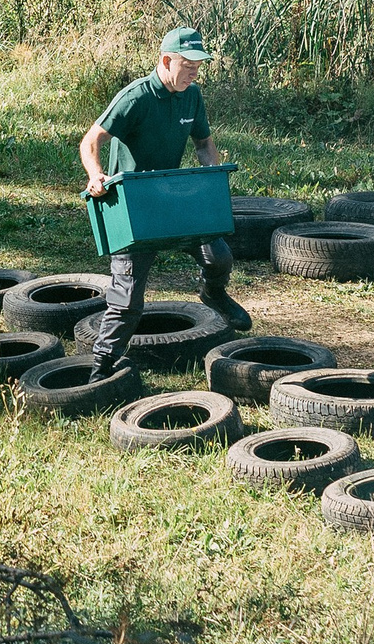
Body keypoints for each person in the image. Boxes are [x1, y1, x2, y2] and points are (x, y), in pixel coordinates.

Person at [78, 25, 252, 379]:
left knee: (218, 255)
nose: (194, 72)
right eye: (188, 65)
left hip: (171, 197)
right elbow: (91, 141)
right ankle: (102, 366)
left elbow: (203, 145)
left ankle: (212, 293)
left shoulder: (192, 95)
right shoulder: (136, 98)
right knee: (127, 300)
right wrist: (96, 176)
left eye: (198, 67)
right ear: (166, 60)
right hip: (133, 206)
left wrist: (211, 178)